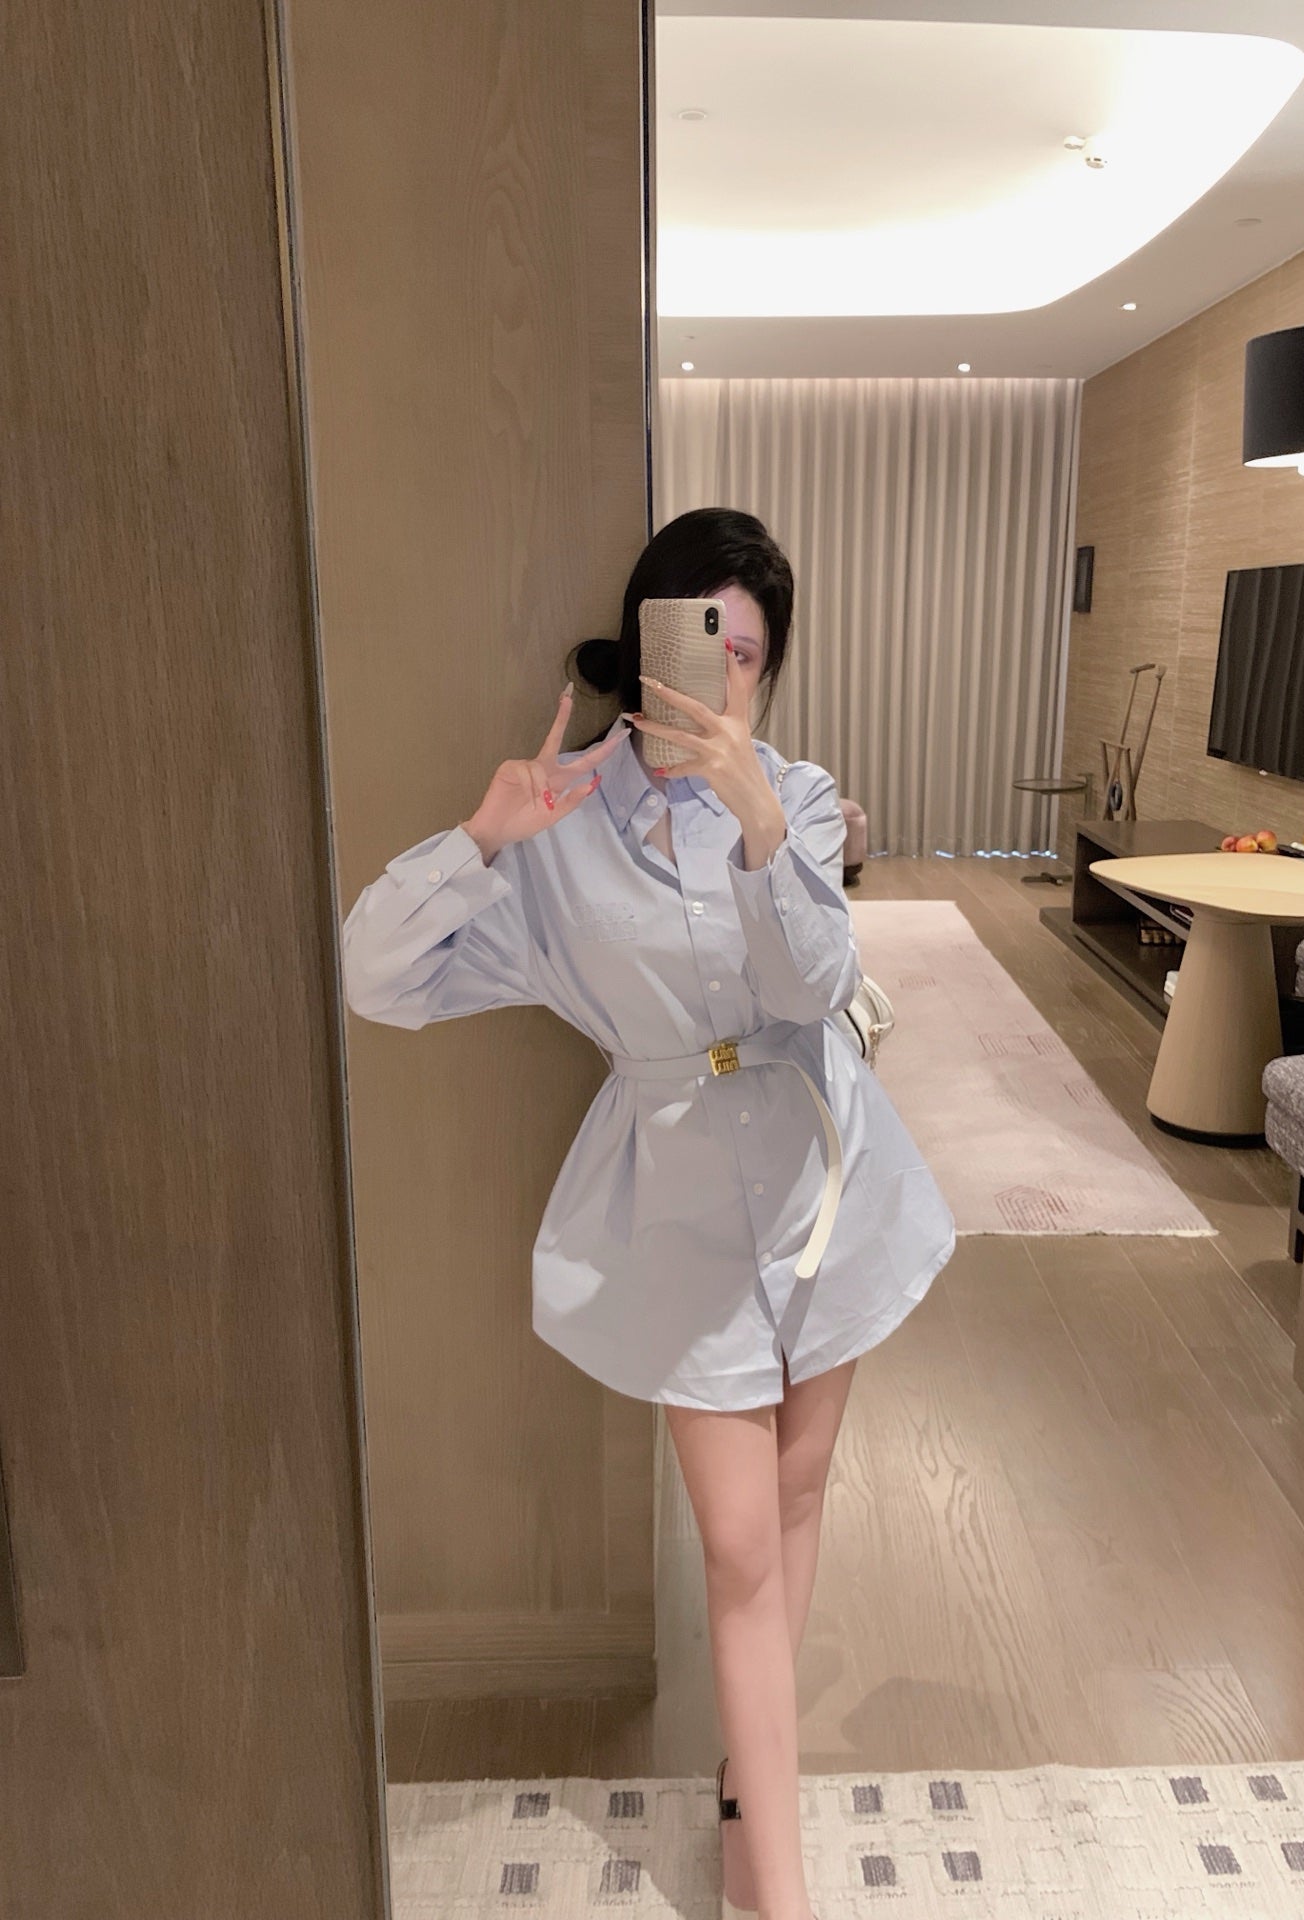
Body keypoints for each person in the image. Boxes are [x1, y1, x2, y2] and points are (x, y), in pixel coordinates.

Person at [341, 507, 957, 1920]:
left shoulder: (797, 799)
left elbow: (810, 991)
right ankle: (779, 1894)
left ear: (766, 672)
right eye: (697, 640)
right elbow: (378, 979)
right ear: (644, 646)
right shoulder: (558, 819)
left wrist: (757, 826)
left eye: (745, 654)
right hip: (678, 1205)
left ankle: (754, 1798)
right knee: (737, 1541)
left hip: (825, 1174)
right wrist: (482, 838)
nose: (717, 675)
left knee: (798, 1495)